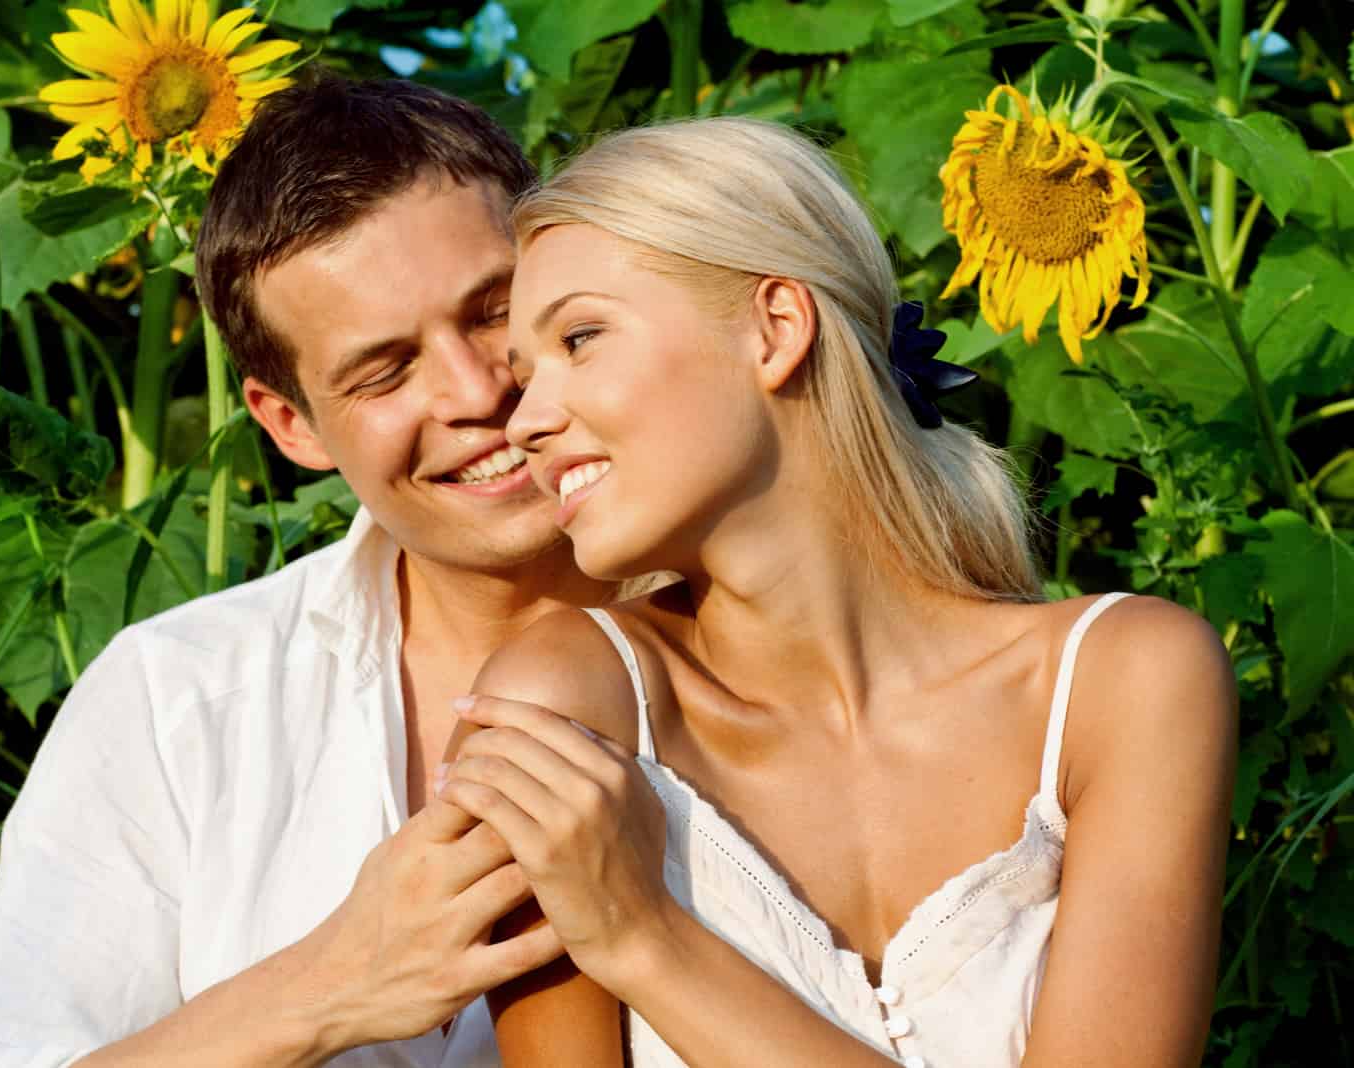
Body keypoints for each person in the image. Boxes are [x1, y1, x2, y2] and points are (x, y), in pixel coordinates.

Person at [436, 117, 1238, 1067]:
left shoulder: (1124, 682)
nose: (523, 422)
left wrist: (644, 940)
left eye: (581, 336)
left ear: (775, 329)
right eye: (526, 378)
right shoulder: (560, 713)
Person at [0, 74, 619, 1067]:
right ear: (290, 425)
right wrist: (324, 986)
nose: (475, 390)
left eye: (493, 311)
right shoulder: (180, 693)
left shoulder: (777, 618)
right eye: (384, 370)